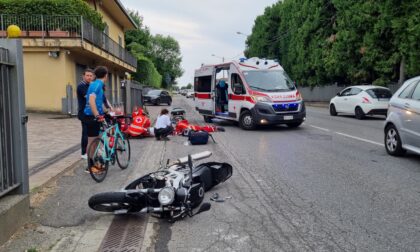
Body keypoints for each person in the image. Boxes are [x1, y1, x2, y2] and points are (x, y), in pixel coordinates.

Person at [84, 66, 108, 171]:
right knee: (92, 141)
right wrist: (97, 115)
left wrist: (107, 111)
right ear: (106, 76)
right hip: (91, 116)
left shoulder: (96, 84)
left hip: (93, 115)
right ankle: (90, 165)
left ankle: (94, 163)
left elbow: (99, 102)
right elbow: (91, 100)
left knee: (96, 141)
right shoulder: (97, 84)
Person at [76, 69, 94, 159]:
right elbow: (89, 98)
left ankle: (91, 149)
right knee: (85, 133)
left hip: (90, 113)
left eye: (91, 76)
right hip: (83, 113)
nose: (89, 77)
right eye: (87, 75)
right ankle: (84, 153)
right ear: (83, 76)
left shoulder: (90, 85)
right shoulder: (81, 86)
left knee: (92, 132)